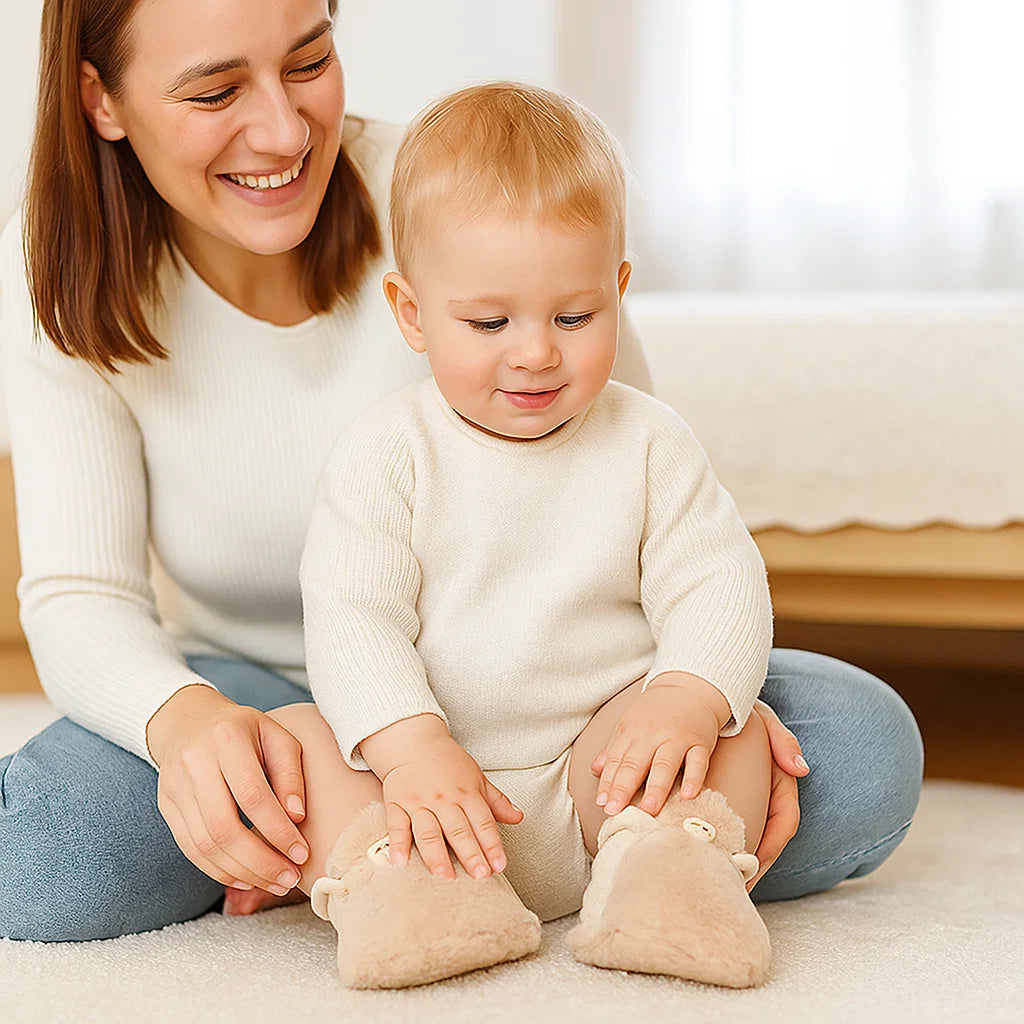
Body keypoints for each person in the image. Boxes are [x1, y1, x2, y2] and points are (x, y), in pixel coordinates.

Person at [0, 0, 921, 944]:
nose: (280, 131)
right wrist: (185, 728)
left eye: (309, 62)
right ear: (101, 99)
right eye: (216, 89)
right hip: (265, 703)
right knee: (38, 857)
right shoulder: (71, 280)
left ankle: (428, 862)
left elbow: (627, 480)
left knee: (861, 747)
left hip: (560, 693)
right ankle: (401, 850)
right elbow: (80, 595)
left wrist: (694, 697)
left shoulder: (486, 192)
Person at [297, 80, 778, 986]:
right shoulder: (387, 452)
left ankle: (666, 881)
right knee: (300, 742)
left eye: (574, 316)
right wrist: (410, 749)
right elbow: (351, 616)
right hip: (426, 790)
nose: (535, 352)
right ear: (410, 313)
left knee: (741, 729)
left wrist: (687, 696)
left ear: (619, 292)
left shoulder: (649, 442)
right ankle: (414, 898)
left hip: (607, 774)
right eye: (488, 322)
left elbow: (719, 582)